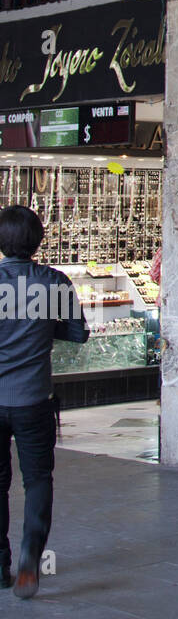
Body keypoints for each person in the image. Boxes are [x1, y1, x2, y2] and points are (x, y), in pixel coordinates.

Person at [0, 205, 86, 597]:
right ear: (38, 241)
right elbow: (77, 334)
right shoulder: (54, 282)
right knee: (37, 478)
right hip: (34, 397)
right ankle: (30, 557)